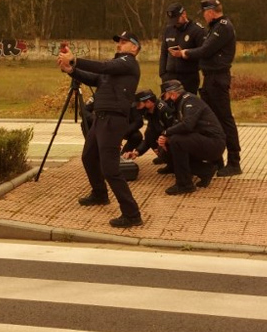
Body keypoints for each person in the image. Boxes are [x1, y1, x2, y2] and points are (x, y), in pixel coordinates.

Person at [58, 31, 143, 228]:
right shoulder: (114, 68)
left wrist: (75, 59)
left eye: (124, 41)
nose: (119, 44)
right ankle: (99, 194)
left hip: (113, 120)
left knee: (110, 169)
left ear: (135, 48)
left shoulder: (128, 63)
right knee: (88, 157)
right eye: (118, 41)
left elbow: (103, 67)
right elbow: (93, 78)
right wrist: (71, 70)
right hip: (101, 118)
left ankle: (132, 214)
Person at [169, 0, 242, 176]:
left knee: (224, 119)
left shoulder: (223, 26)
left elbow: (205, 50)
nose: (204, 17)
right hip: (211, 78)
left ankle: (234, 161)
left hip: (218, 79)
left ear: (209, 12)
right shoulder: (216, 27)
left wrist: (183, 53)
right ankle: (216, 159)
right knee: (212, 120)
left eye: (204, 13)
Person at [158, 79, 226, 194]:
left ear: (173, 94)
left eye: (165, 97)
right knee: (167, 148)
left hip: (214, 143)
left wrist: (166, 132)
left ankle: (185, 185)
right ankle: (205, 170)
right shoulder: (180, 104)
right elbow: (178, 126)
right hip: (201, 141)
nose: (164, 101)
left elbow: (187, 125)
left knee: (176, 141)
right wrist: (165, 139)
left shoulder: (191, 101)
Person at [123, 88, 177, 174]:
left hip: (176, 139)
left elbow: (174, 129)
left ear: (148, 102)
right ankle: (171, 165)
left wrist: (166, 139)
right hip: (166, 137)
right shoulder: (150, 113)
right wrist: (137, 152)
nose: (137, 108)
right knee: (149, 134)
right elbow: (149, 136)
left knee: (162, 148)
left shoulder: (164, 110)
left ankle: (185, 167)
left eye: (139, 105)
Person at [159, 3, 205, 93]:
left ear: (184, 14)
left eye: (177, 19)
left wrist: (185, 54)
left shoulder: (197, 30)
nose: (175, 23)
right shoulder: (169, 30)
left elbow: (203, 53)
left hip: (188, 77)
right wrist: (163, 74)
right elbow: (164, 52)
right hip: (169, 76)